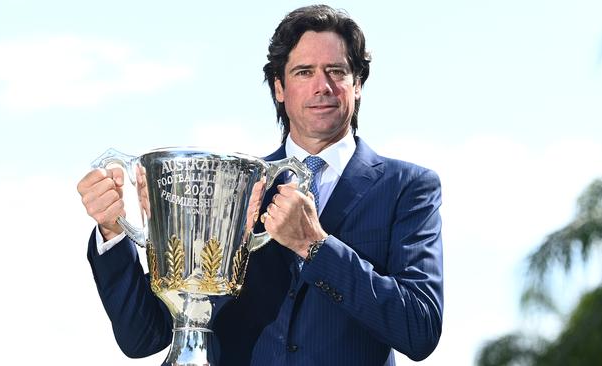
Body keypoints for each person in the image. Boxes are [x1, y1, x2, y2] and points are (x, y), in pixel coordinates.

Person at [77, 4, 443, 365]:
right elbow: (144, 337)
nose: (323, 86)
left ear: (357, 84)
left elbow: (420, 328)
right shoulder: (231, 187)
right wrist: (112, 231)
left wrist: (316, 246)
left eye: (336, 71)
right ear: (279, 87)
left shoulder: (408, 187)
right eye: (304, 72)